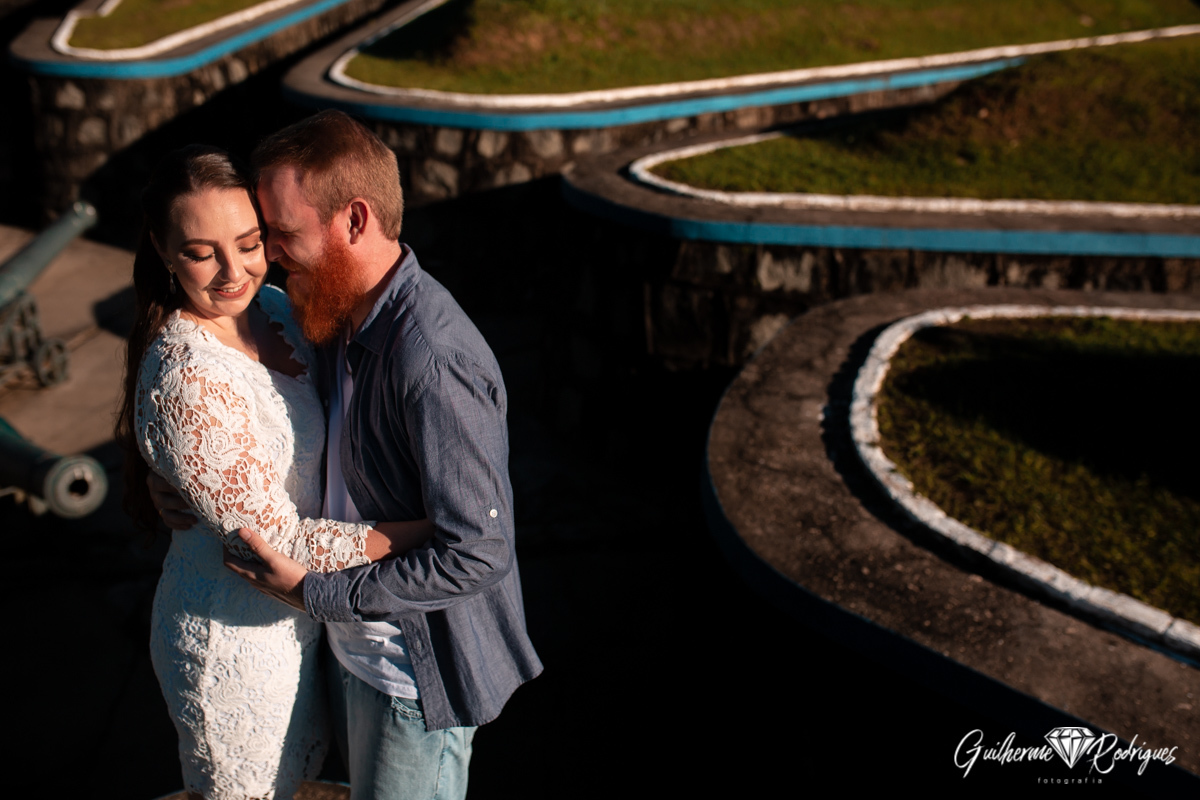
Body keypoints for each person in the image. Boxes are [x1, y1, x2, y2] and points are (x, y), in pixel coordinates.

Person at [158, 111, 543, 800]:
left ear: (355, 220)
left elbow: (479, 553)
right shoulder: (332, 313)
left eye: (282, 233)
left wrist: (319, 593)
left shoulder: (432, 361)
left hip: (410, 676)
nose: (271, 255)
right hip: (346, 650)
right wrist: (175, 475)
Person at [117, 145, 432, 800]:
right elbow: (277, 543)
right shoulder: (186, 376)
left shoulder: (279, 309)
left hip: (301, 622)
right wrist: (433, 534)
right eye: (201, 253)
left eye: (249, 243)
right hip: (233, 643)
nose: (234, 272)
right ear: (164, 251)